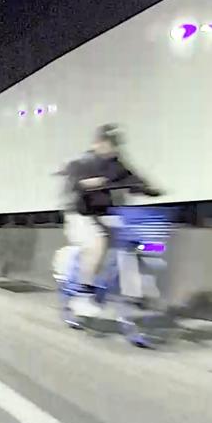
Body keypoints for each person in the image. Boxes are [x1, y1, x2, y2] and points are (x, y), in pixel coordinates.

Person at [58, 124, 159, 314]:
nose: (109, 147)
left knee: (133, 242)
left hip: (103, 215)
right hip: (80, 214)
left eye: (112, 144)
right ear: (96, 144)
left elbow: (134, 179)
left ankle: (133, 292)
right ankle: (83, 292)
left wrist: (150, 189)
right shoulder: (85, 162)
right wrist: (86, 183)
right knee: (97, 242)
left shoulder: (117, 164)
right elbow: (75, 177)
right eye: (105, 143)